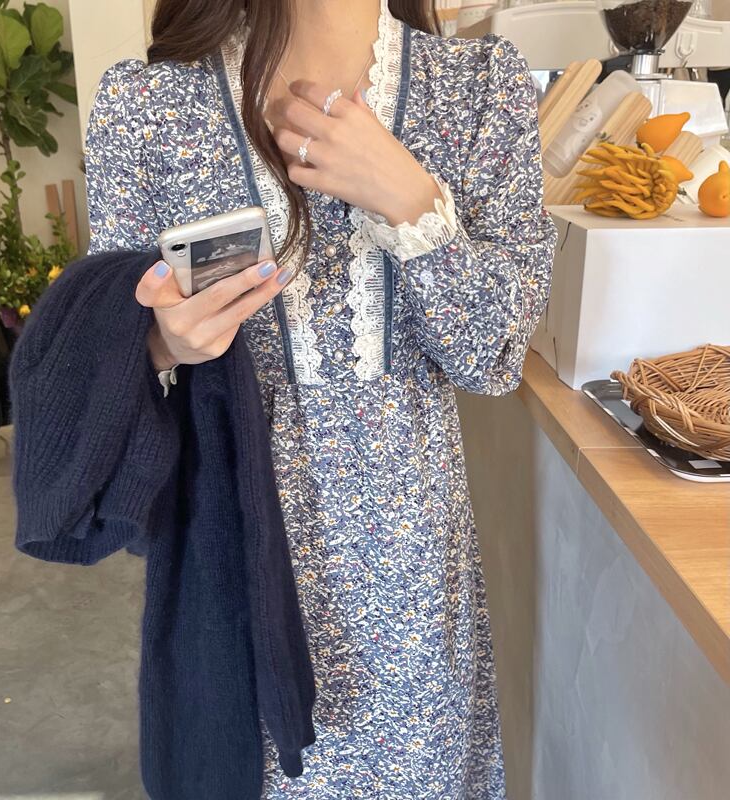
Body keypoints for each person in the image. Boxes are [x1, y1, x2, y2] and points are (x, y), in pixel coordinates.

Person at [84, 0, 557, 796]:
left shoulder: (478, 86)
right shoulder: (148, 103)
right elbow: (104, 364)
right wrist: (164, 343)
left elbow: (493, 358)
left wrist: (411, 201)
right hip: (231, 561)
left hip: (412, 597)